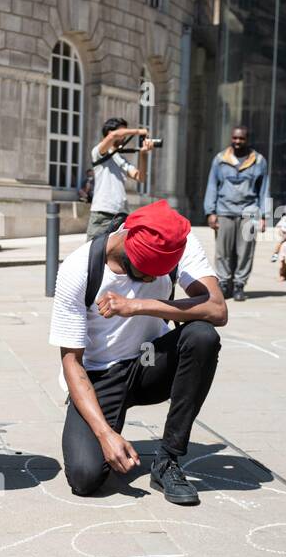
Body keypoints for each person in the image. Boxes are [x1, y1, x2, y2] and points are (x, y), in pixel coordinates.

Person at [50, 199, 226, 504]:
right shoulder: (79, 269)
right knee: (85, 478)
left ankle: (168, 459)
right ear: (126, 242)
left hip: (150, 364)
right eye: (145, 273)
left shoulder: (175, 240)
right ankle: (105, 427)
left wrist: (138, 306)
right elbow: (72, 363)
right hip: (98, 376)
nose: (149, 280)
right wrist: (105, 435)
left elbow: (216, 308)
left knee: (202, 336)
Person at [204, 125, 269, 302]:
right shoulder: (220, 159)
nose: (237, 142)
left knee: (245, 251)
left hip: (250, 211)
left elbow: (264, 189)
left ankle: (240, 284)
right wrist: (210, 211)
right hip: (224, 210)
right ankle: (225, 284)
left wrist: (264, 215)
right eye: (235, 138)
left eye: (241, 139)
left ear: (247, 140)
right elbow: (212, 185)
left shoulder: (259, 161)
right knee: (222, 251)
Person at [86, 118, 153, 239]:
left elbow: (140, 177)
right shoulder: (98, 152)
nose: (124, 137)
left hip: (121, 214)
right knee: (92, 254)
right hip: (102, 213)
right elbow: (113, 135)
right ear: (109, 132)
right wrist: (139, 131)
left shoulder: (120, 158)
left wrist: (143, 154)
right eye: (123, 132)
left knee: (117, 257)